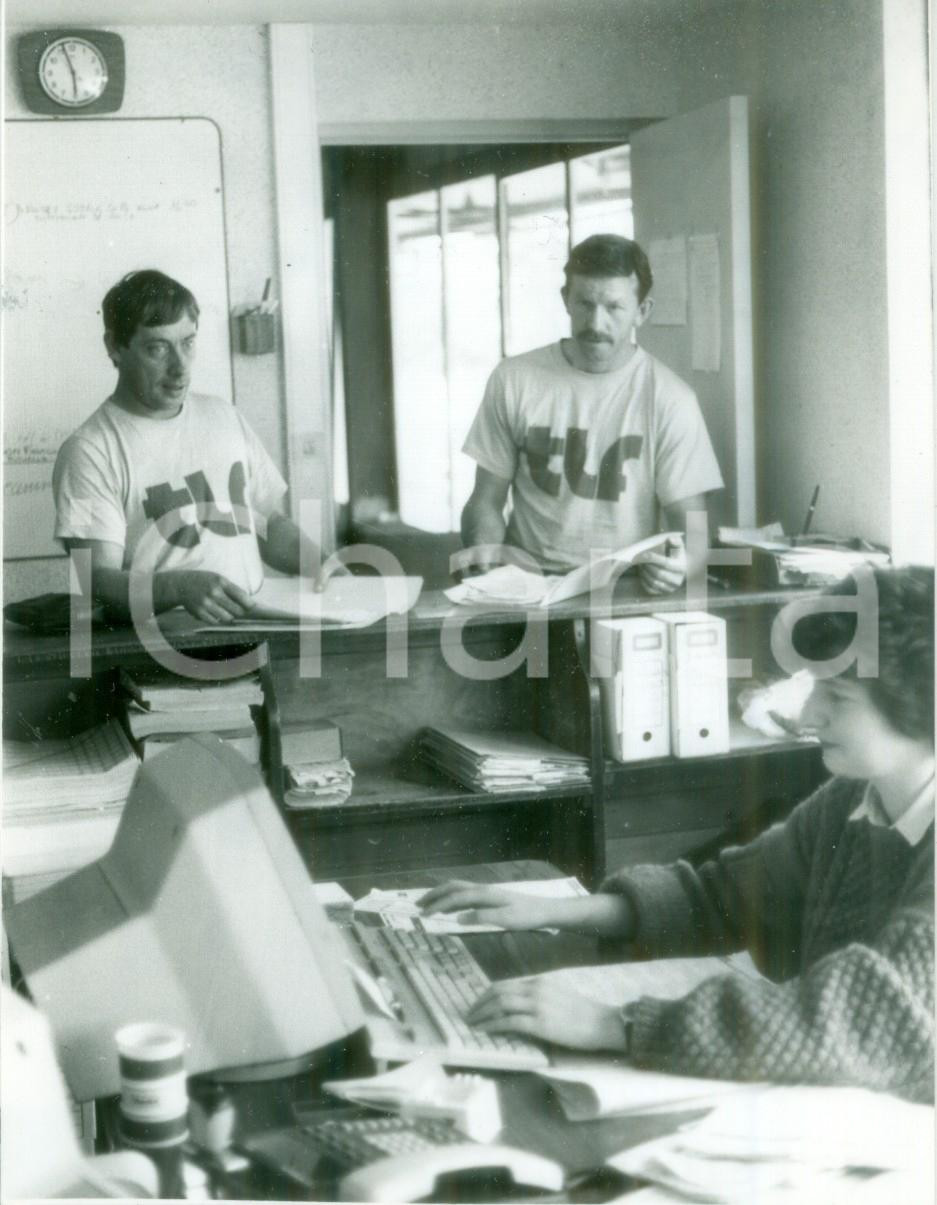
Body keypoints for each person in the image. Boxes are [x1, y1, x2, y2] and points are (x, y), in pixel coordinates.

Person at [422, 566, 935, 1102]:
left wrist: (612, 1025)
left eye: (838, 696)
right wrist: (551, 910)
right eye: (814, 688)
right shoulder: (855, 799)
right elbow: (721, 898)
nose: (808, 715)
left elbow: (864, 1018)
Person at [53, 269, 331, 624]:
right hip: (159, 648)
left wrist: (323, 565)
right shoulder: (88, 451)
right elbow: (96, 581)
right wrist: (179, 588)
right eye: (158, 348)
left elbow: (267, 523)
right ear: (114, 347)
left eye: (187, 342)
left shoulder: (223, 416)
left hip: (254, 629)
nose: (180, 367)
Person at [459, 234, 724, 596]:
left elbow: (692, 526)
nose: (595, 323)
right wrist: (483, 553)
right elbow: (485, 500)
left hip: (623, 590)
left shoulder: (671, 399)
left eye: (613, 307)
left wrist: (681, 566)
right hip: (525, 587)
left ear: (642, 311)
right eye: (584, 303)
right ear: (565, 299)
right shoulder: (514, 379)